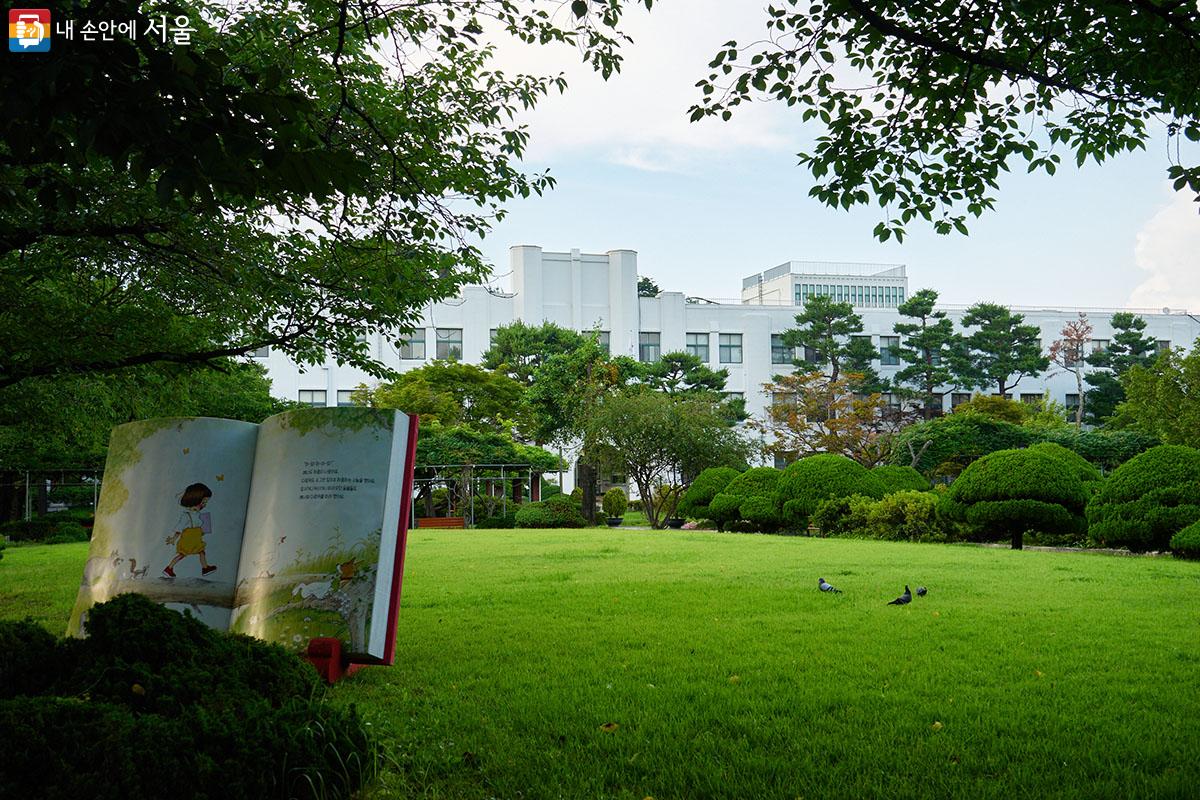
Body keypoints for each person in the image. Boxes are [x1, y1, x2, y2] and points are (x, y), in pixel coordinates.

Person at [163, 482, 218, 578]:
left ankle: (205, 568)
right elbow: (179, 528)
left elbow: (200, 527)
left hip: (195, 538)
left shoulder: (198, 515)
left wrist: (202, 530)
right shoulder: (186, 515)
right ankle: (169, 568)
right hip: (188, 539)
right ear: (195, 500)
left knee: (200, 552)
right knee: (183, 554)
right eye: (203, 502)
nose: (204, 505)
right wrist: (173, 539)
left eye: (205, 503)